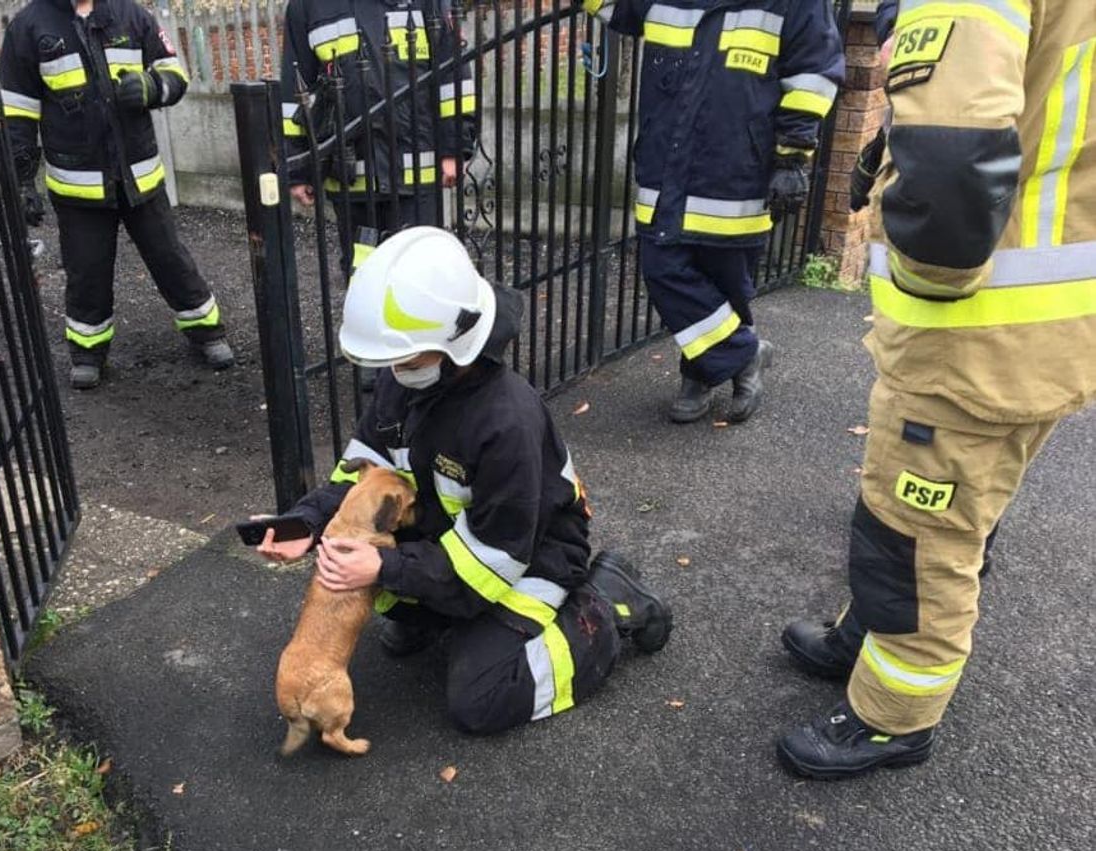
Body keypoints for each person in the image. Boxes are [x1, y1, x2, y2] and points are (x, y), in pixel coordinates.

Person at [777, 0, 1096, 779]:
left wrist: (924, 290)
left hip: (974, 338)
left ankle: (892, 718)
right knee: (935, 512)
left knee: (918, 541)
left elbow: (952, 163)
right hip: (1042, 324)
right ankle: (866, 637)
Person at [258, 227, 673, 734]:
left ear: (454, 345)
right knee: (380, 580)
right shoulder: (405, 382)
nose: (393, 369)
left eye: (406, 358)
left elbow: (493, 563)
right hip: (454, 543)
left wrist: (386, 566)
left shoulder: (506, 421)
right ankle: (440, 618)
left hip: (530, 557)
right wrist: (309, 521)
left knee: (481, 699)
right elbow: (358, 481)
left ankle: (604, 606)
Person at [582, 0, 844, 423]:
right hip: (667, 166)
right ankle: (744, 353)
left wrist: (793, 156)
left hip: (739, 168)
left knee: (728, 280)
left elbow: (814, 72)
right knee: (662, 268)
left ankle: (700, 373)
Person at [0, 0, 233, 390]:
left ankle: (207, 332)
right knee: (86, 270)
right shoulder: (28, 26)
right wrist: (21, 181)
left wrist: (151, 87)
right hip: (77, 184)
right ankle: (87, 351)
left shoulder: (131, 15)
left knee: (170, 258)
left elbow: (174, 71)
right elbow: (18, 111)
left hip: (140, 176)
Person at [280, 0, 476, 277]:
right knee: (364, 272)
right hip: (351, 172)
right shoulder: (307, 6)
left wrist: (454, 148)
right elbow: (296, 88)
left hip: (417, 170)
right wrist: (298, 169)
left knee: (419, 272)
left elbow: (452, 73)